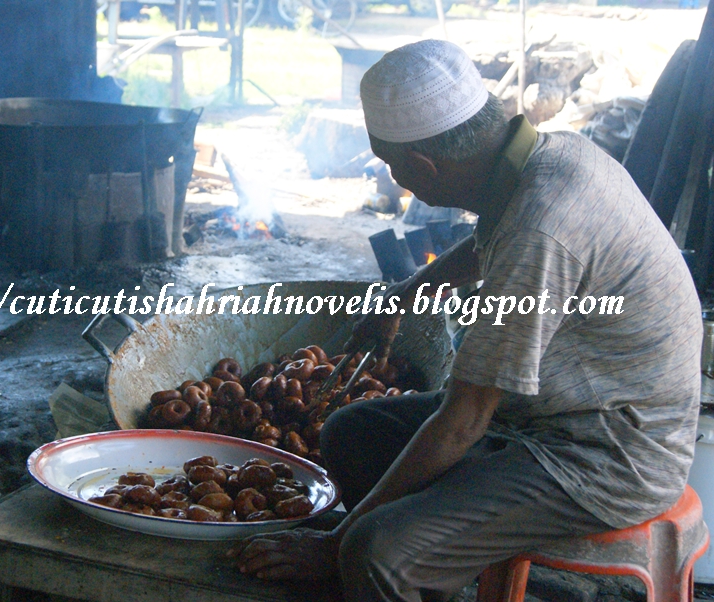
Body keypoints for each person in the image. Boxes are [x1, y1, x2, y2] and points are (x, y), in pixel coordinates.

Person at [228, 40, 703, 601]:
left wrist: (335, 543)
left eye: (394, 169)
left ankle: (396, 568)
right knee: (350, 432)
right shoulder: (548, 157)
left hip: (606, 453)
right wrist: (403, 296)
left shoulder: (541, 227)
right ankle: (440, 566)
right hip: (549, 416)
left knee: (376, 552)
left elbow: (464, 421)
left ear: (423, 167)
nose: (402, 184)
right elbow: (485, 247)